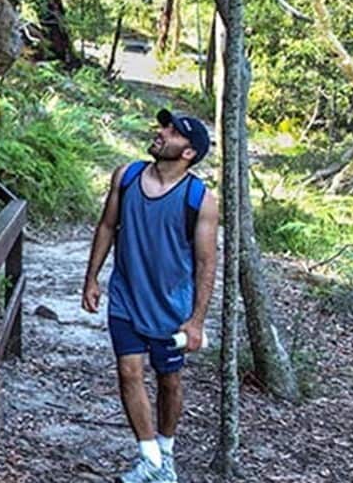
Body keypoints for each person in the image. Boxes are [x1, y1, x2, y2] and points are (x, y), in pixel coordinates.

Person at [81, 109, 219, 483]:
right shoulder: (125, 176)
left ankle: (166, 450)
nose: (161, 133)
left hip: (172, 307)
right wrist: (91, 278)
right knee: (129, 371)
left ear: (188, 153)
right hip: (126, 294)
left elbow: (207, 264)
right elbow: (108, 225)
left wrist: (196, 321)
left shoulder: (200, 199)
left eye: (172, 132)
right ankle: (151, 460)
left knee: (168, 381)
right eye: (164, 127)